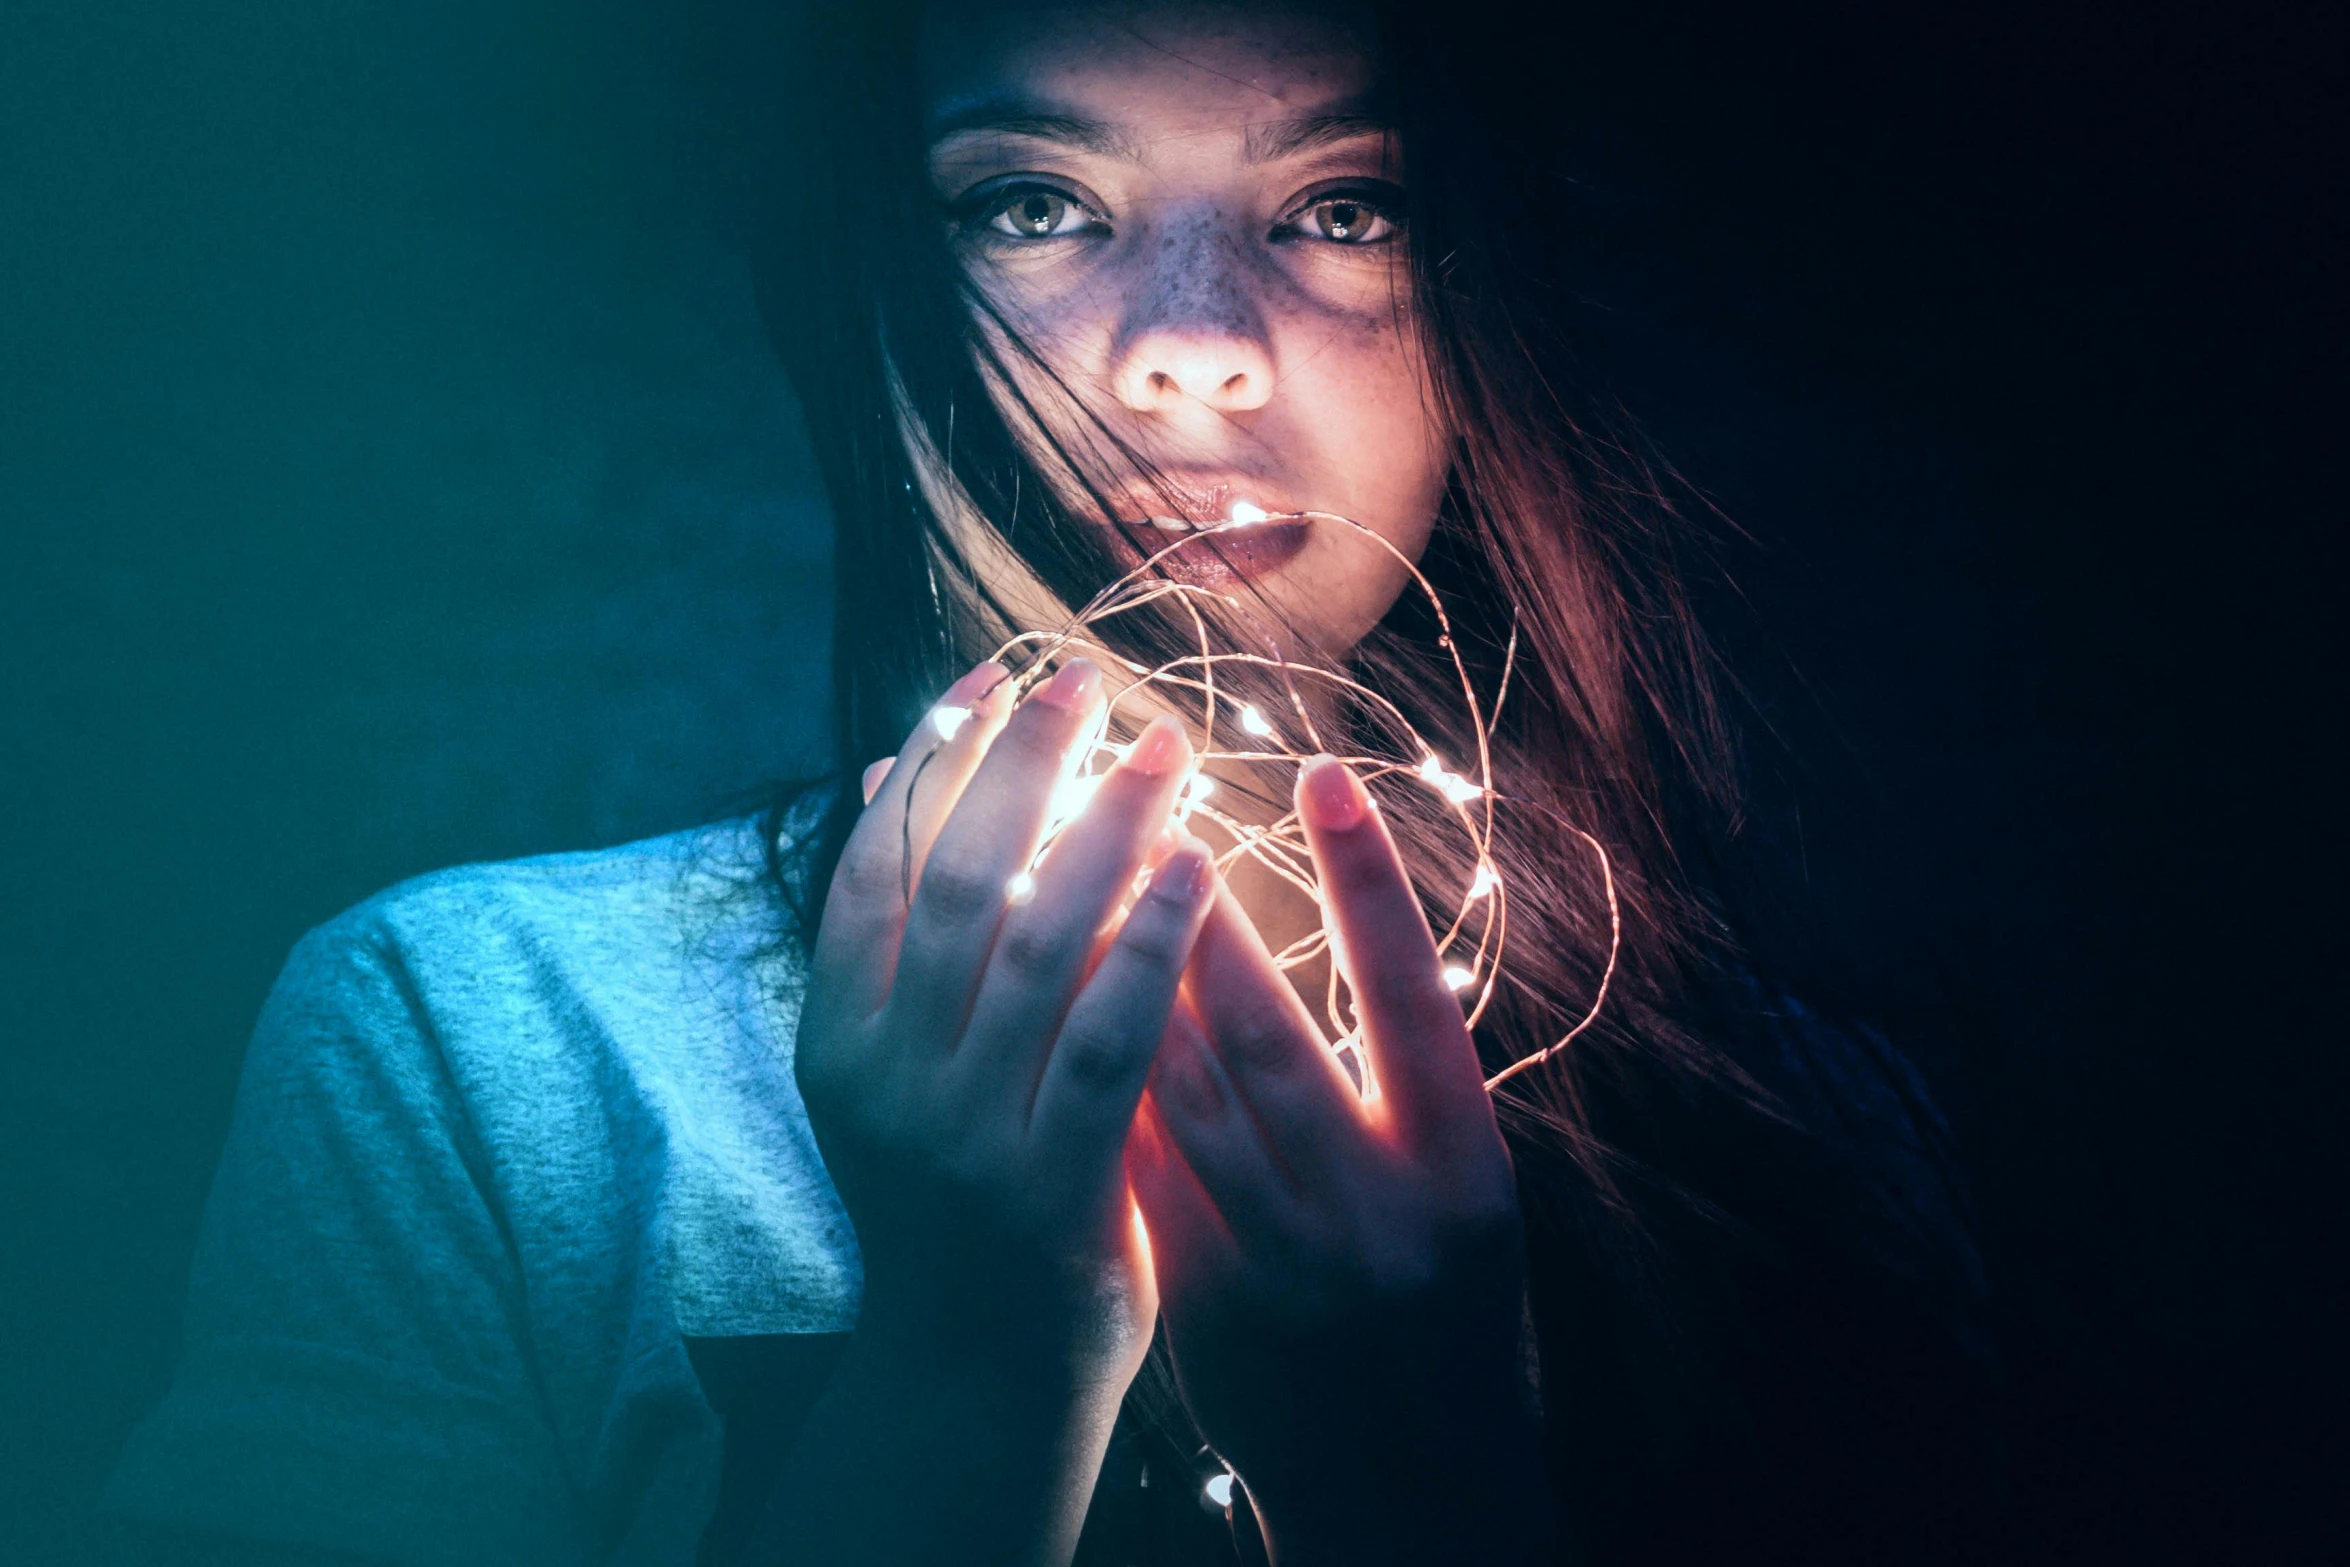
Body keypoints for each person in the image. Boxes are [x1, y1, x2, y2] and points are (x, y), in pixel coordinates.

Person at [106, 2, 2005, 1563]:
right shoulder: (480, 1046)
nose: (1191, 353)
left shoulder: (1806, 1126)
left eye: (1346, 206)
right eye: (1029, 202)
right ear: (874, 296)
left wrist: (1421, 1480)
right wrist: (972, 1355)